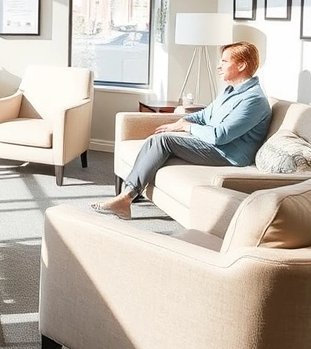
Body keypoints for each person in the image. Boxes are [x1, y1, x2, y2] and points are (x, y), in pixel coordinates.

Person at [92, 41, 271, 220]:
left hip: (228, 154)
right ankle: (130, 194)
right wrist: (181, 121)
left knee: (162, 141)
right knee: (158, 139)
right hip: (211, 143)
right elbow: (204, 115)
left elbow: (220, 136)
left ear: (241, 65)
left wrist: (186, 127)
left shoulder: (253, 100)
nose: (219, 66)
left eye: (224, 61)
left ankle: (126, 198)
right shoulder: (231, 91)